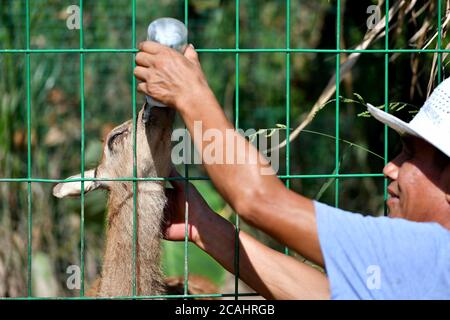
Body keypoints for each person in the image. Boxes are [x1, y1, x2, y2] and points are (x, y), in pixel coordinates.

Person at [133, 41, 450, 300]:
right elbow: (319, 296)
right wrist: (201, 227)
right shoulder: (421, 275)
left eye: (409, 154)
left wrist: (191, 94)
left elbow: (257, 198)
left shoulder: (432, 254)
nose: (389, 167)